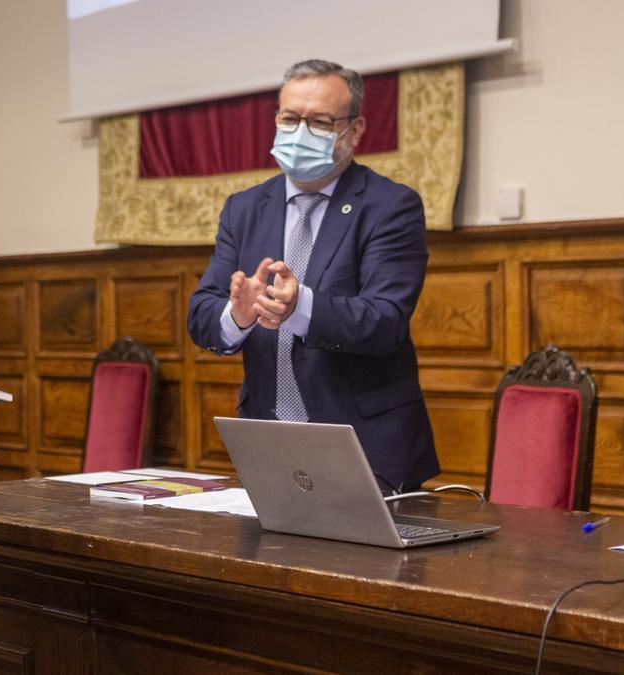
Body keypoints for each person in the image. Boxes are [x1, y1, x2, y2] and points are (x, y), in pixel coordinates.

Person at [187, 59, 438, 492]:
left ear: (354, 131)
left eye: (320, 122)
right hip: (269, 443)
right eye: (290, 119)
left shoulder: (390, 206)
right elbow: (202, 314)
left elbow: (385, 321)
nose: (300, 133)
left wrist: (299, 307)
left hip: (366, 447)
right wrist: (238, 315)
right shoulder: (244, 208)